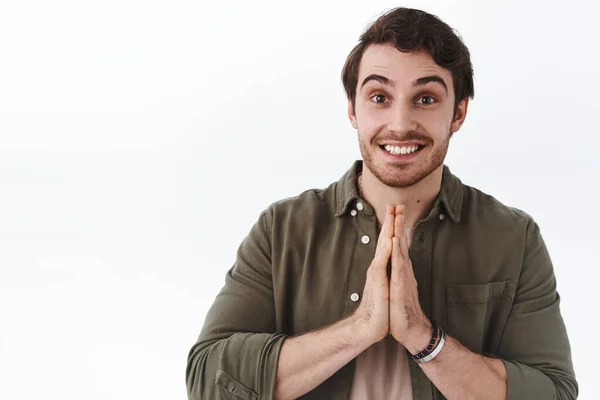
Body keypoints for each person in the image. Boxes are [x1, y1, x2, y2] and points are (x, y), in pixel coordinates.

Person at [186, 7, 578, 400]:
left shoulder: (513, 238)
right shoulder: (283, 229)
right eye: (379, 96)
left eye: (426, 98)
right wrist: (359, 328)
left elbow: (555, 392)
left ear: (458, 112)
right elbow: (206, 379)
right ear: (353, 110)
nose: (400, 122)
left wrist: (424, 337)